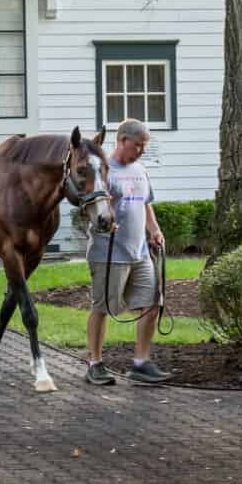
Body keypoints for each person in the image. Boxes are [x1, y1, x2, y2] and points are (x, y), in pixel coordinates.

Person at [85, 118, 171, 386]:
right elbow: (91, 206)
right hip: (108, 253)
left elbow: (145, 204)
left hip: (140, 252)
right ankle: (94, 363)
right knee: (103, 307)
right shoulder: (103, 170)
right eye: (138, 145)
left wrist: (154, 230)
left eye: (144, 146)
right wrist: (105, 223)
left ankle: (141, 363)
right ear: (122, 140)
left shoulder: (140, 169)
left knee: (152, 303)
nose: (141, 151)